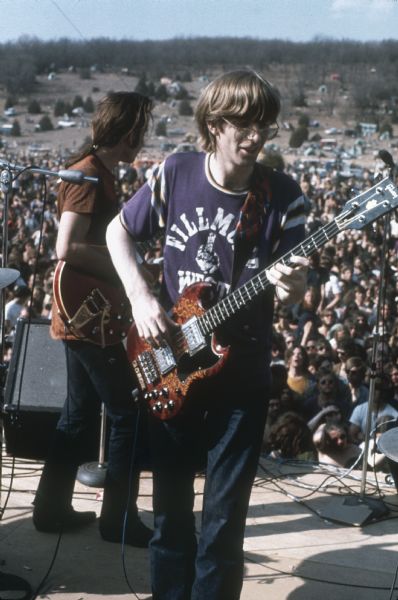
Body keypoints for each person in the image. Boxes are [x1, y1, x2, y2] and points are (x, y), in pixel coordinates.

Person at [106, 70, 308, 600]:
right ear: (214, 125)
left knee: (223, 523)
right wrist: (141, 296)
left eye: (263, 123)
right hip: (171, 362)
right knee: (170, 514)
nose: (256, 135)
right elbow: (118, 231)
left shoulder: (283, 194)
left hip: (241, 379)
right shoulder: (177, 173)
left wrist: (293, 286)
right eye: (243, 123)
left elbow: (294, 286)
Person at [32, 92, 153, 547]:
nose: (140, 144)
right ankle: (117, 520)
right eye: (139, 135)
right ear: (126, 134)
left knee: (78, 415)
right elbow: (67, 247)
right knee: (128, 413)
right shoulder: (86, 175)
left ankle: (50, 510)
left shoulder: (96, 171)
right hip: (88, 316)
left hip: (81, 313)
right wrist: (127, 268)